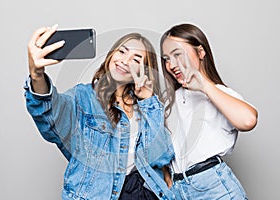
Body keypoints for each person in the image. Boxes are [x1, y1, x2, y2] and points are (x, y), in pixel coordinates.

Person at [24, 25, 175, 200]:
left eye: (136, 59)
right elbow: (50, 117)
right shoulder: (83, 97)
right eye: (122, 51)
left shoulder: (147, 106)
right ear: (111, 55)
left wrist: (148, 101)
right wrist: (37, 75)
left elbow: (162, 157)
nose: (125, 61)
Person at [160, 23, 258, 199]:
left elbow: (248, 120)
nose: (172, 64)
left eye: (177, 54)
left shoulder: (219, 93)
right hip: (179, 190)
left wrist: (205, 86)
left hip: (213, 187)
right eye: (166, 58)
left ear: (200, 52)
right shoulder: (168, 101)